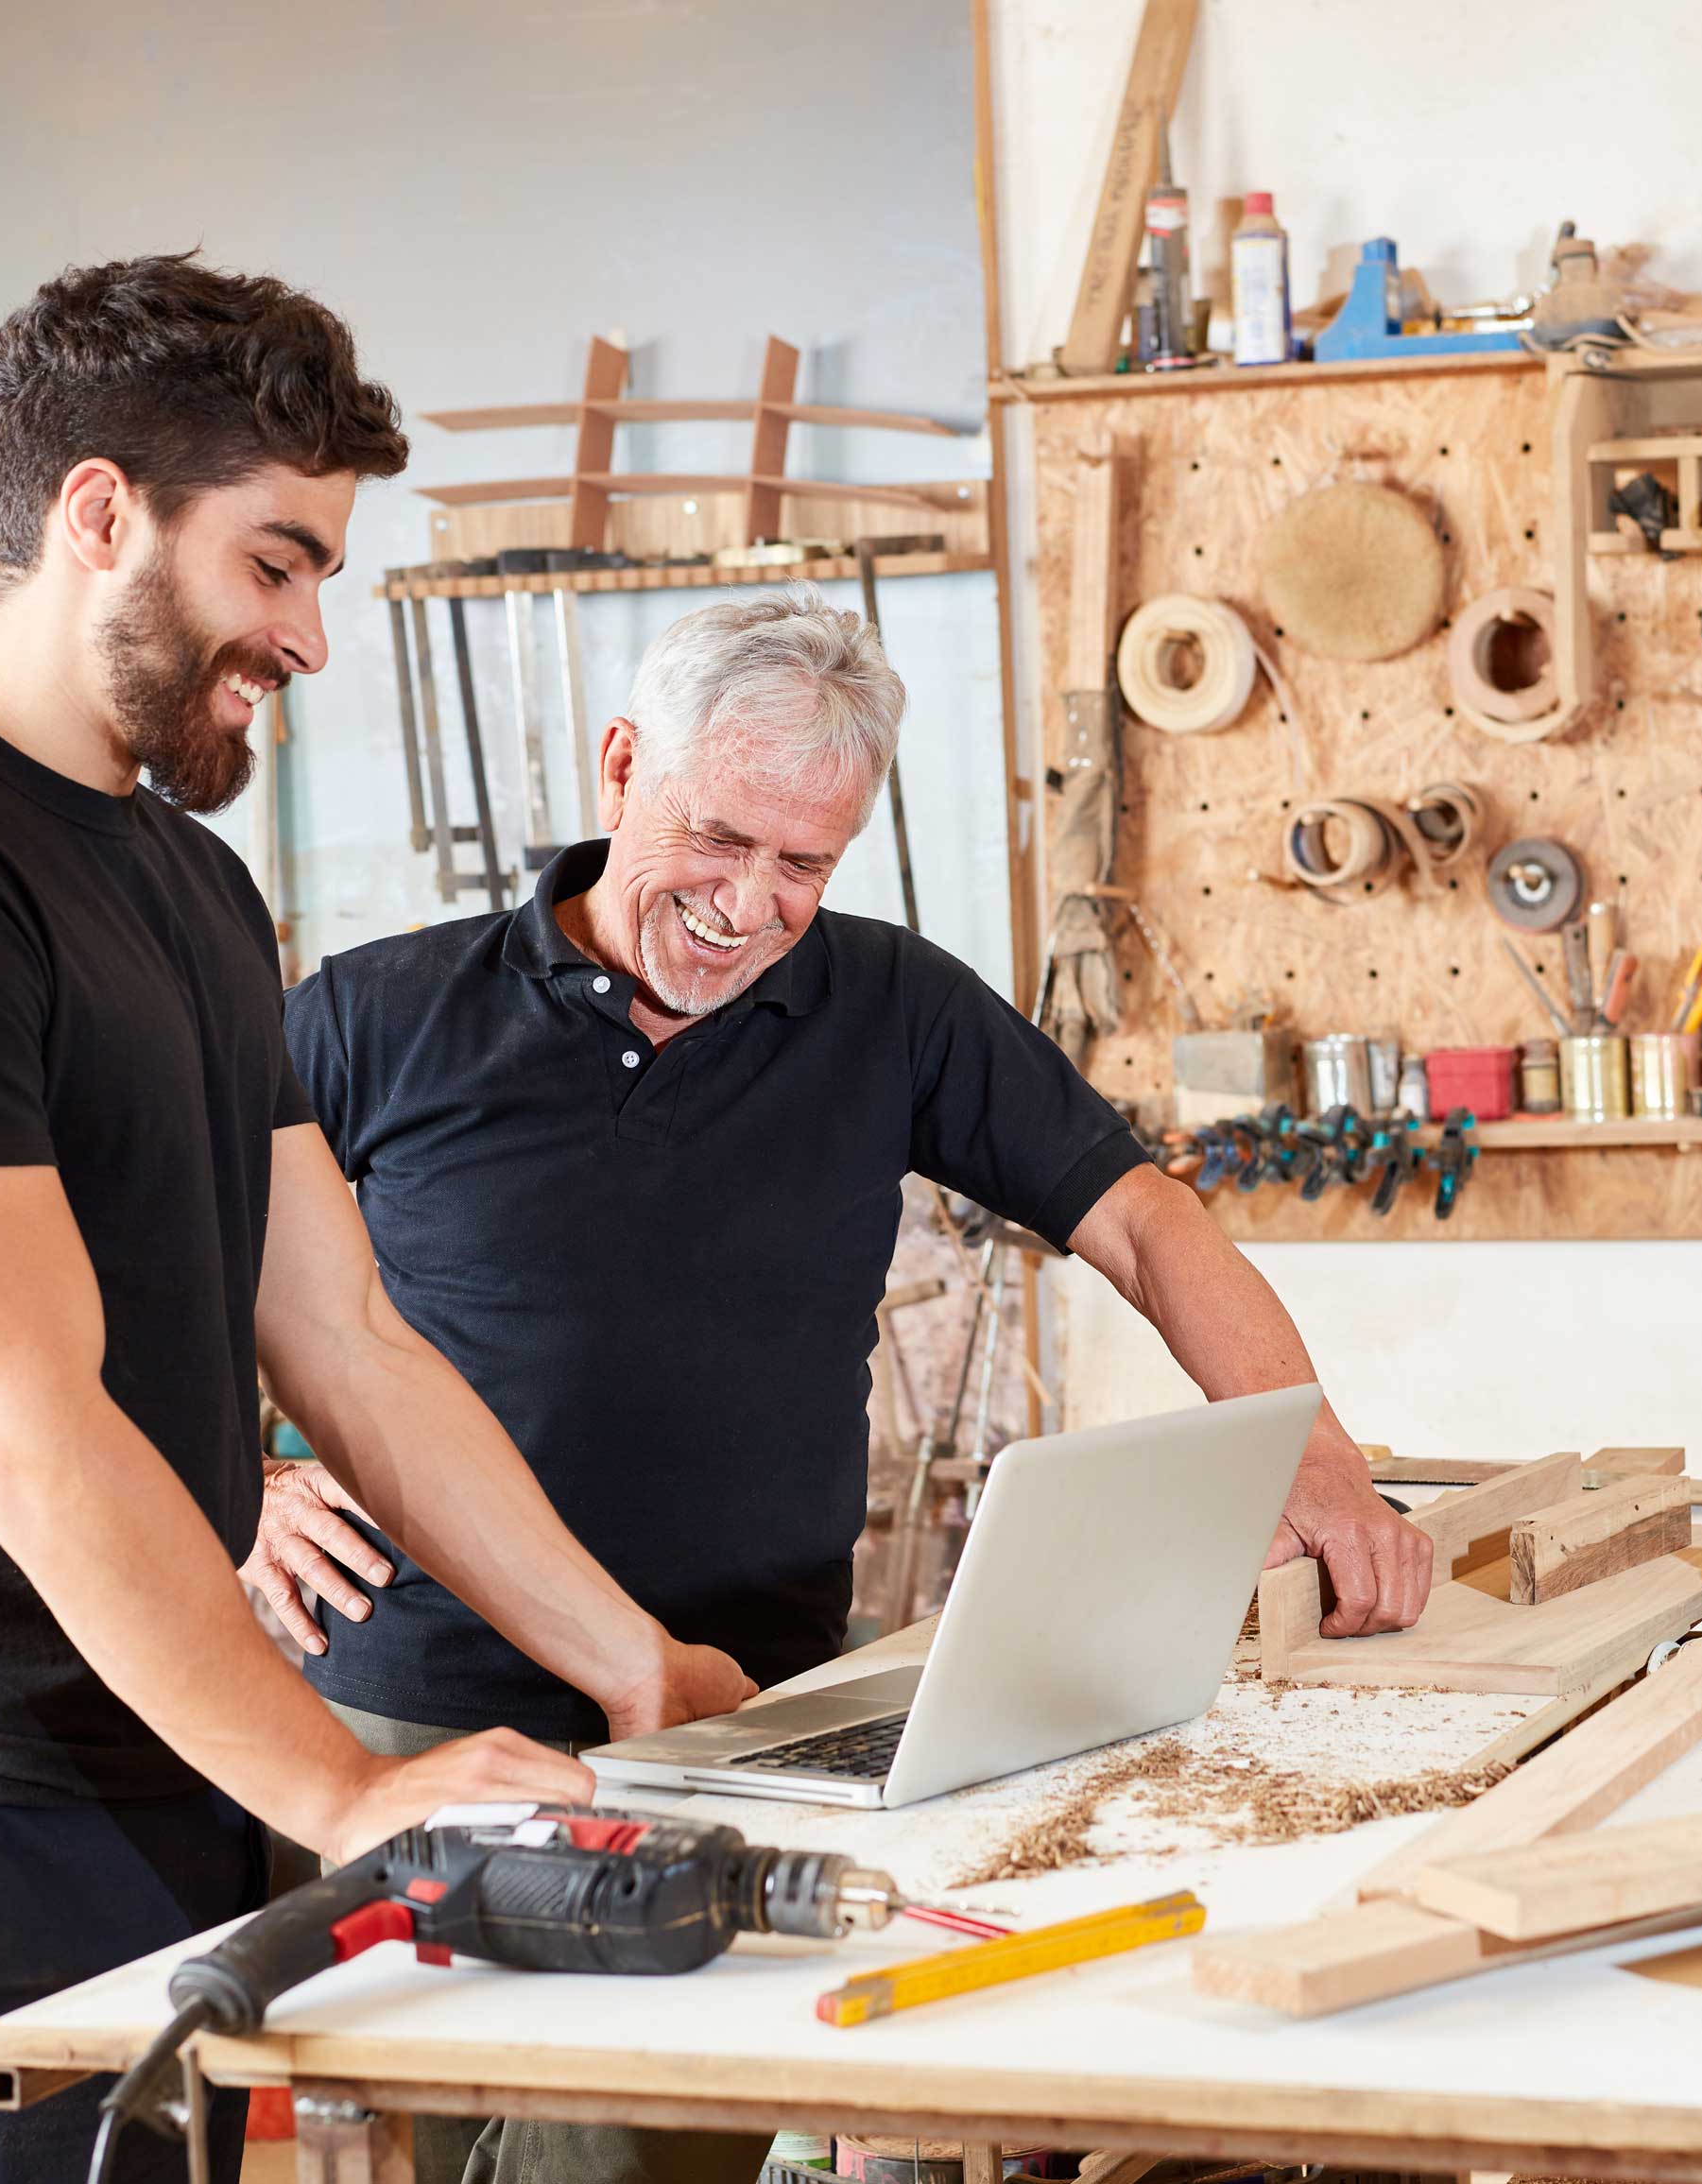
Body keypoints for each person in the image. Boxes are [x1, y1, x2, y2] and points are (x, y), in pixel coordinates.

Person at [0, 254, 753, 2184]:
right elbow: (20, 1404)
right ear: (100, 512)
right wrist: (342, 1787)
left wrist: (630, 1660)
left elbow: (347, 1336)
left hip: (161, 1741)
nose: (309, 636)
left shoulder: (185, 884)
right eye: (275, 564)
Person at [243, 591, 1435, 2184]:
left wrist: (1315, 1456)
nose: (748, 906)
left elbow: (1143, 1221)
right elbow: (151, 1268)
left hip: (747, 1700)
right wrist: (237, 1488)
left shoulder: (892, 1005)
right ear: (621, 766)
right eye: (717, 838)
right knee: (441, 2120)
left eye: (804, 864)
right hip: (426, 1687)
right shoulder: (371, 1015)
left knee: (640, 2157)